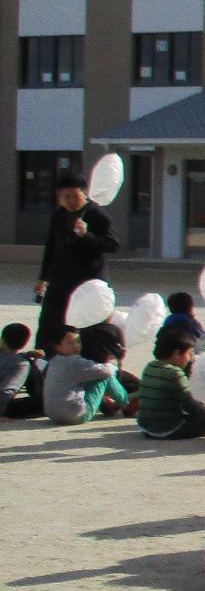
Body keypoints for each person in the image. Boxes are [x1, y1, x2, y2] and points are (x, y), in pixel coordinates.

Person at [34, 169, 118, 353]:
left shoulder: (96, 214)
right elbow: (51, 248)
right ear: (59, 196)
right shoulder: (59, 215)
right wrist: (43, 278)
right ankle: (42, 363)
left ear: (84, 193)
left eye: (74, 196)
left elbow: (112, 245)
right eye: (66, 196)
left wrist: (86, 234)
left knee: (85, 327)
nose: (70, 201)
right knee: (50, 323)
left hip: (87, 284)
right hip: (59, 281)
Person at [42, 326, 126, 424]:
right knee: (106, 377)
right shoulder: (75, 361)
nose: (76, 346)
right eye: (71, 343)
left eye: (78, 342)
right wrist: (112, 363)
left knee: (91, 377)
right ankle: (126, 404)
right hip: (76, 415)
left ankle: (108, 405)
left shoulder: (53, 361)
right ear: (57, 346)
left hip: (53, 415)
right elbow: (106, 371)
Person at [135, 335, 205, 439]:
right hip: (167, 429)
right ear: (177, 353)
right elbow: (190, 407)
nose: (191, 359)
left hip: (145, 428)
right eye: (189, 354)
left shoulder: (150, 366)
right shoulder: (174, 373)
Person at [0, 323, 43, 418]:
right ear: (26, 342)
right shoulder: (22, 363)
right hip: (3, 404)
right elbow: (6, 391)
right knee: (42, 404)